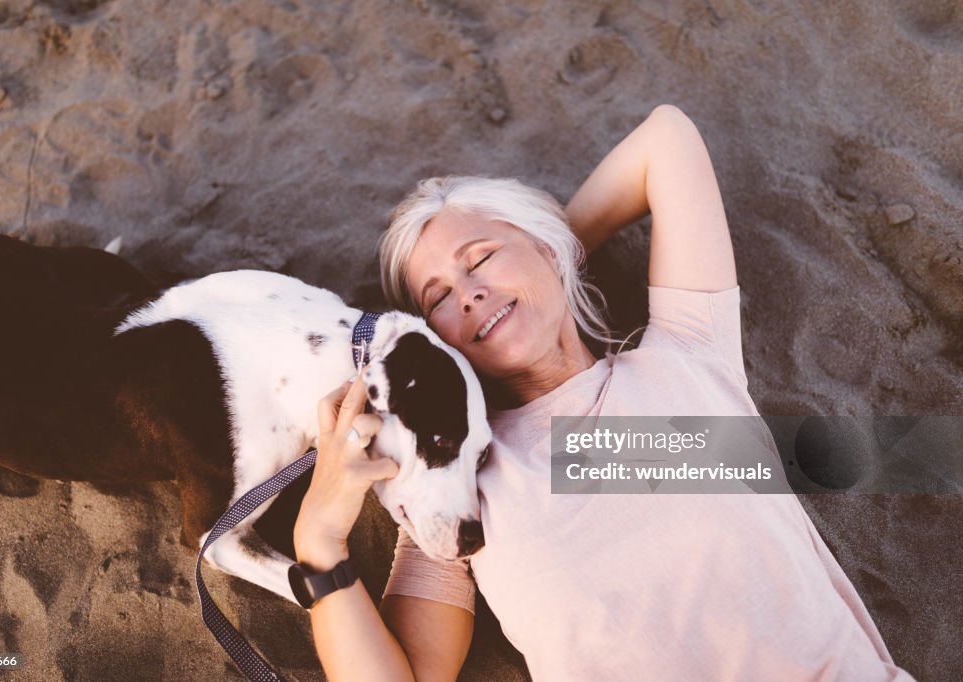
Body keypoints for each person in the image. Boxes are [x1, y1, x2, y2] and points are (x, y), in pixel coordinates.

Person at [291, 104, 913, 681]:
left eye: (481, 259)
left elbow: (667, 139)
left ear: (546, 244)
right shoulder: (457, 482)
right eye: (439, 298)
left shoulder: (689, 352)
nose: (469, 293)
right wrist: (318, 543)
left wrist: (555, 256)